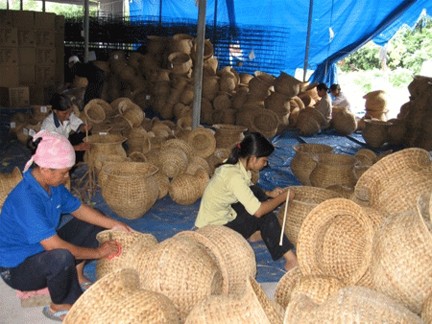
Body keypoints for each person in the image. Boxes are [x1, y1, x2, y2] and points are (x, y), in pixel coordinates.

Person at [0, 130, 132, 321]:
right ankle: (59, 305)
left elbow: (78, 209)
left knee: (95, 220)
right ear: (46, 169)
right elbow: (56, 248)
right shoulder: (26, 199)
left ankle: (77, 276)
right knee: (61, 257)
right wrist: (98, 252)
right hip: (16, 268)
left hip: (41, 249)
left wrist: (115, 224)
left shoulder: (52, 185)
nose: (67, 177)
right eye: (63, 173)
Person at [195, 131, 298, 271]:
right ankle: (290, 259)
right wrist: (282, 198)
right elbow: (258, 211)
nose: (265, 163)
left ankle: (254, 234)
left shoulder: (235, 165)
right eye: (264, 160)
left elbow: (248, 189)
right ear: (254, 159)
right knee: (265, 215)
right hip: (215, 230)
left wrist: (270, 194)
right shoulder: (233, 177)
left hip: (221, 215)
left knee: (257, 192)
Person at [41, 93, 91, 163]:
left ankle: (77, 161)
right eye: (64, 113)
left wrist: (84, 127)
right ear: (55, 111)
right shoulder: (48, 125)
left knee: (84, 135)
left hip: (65, 145)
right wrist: (76, 148)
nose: (68, 116)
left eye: (69, 113)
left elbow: (76, 123)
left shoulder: (67, 115)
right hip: (52, 155)